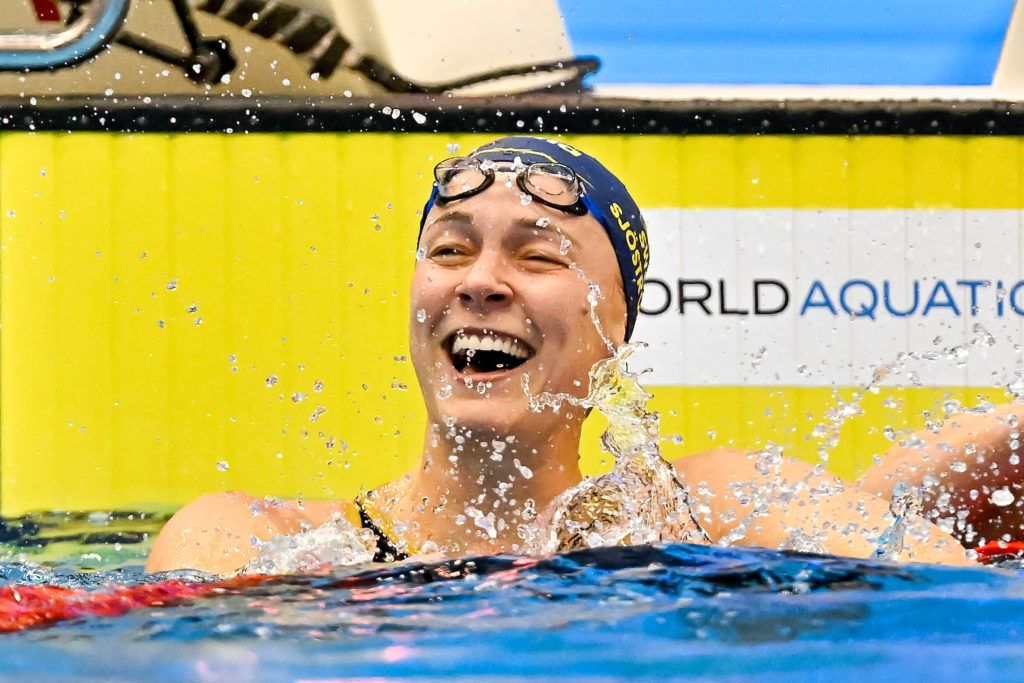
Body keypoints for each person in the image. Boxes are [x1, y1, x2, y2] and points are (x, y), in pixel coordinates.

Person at [147, 136, 1024, 574]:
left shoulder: (715, 508)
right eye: (449, 250)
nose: (481, 281)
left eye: (539, 255)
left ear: (618, 329)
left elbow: (937, 577)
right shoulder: (255, 541)